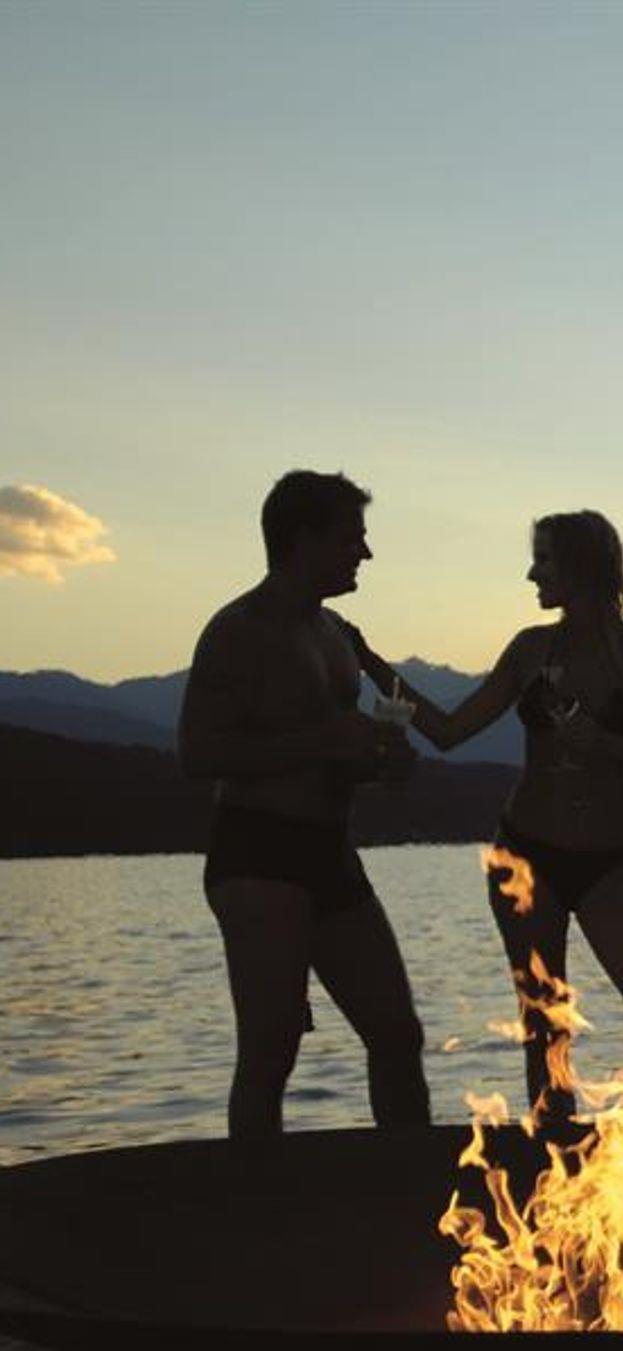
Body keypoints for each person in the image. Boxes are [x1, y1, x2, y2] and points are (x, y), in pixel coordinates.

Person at [353, 511, 623, 1121]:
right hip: (526, 858)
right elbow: (449, 731)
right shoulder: (530, 649)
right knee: (546, 1036)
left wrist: (607, 745)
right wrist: (369, 661)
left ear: (582, 567)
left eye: (544, 560)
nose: (531, 574)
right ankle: (553, 1163)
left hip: (611, 864)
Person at [177, 470, 432, 1145]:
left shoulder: (336, 634)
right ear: (303, 539)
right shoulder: (239, 630)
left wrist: (380, 764)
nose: (365, 553)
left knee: (397, 1033)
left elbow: (335, 753)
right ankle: (256, 1195)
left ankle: (409, 1185)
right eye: (353, 538)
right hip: (257, 851)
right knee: (271, 1048)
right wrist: (326, 741)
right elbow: (198, 752)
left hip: (330, 851)